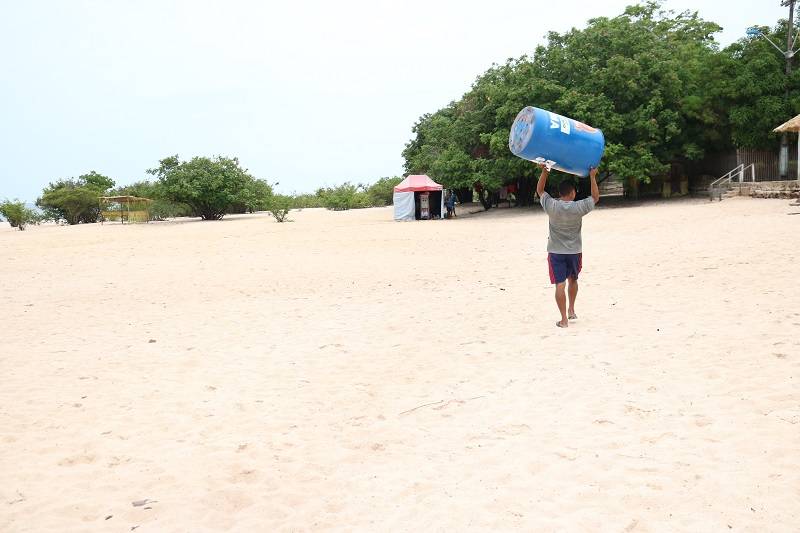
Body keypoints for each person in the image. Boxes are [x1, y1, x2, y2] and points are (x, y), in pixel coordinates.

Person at [536, 163, 600, 328]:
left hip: (556, 252)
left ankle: (564, 319)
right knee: (573, 279)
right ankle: (571, 310)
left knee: (560, 284)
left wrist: (545, 172)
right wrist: (592, 177)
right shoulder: (578, 207)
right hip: (574, 251)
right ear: (573, 193)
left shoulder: (552, 206)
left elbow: (540, 191)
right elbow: (595, 198)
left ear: (559, 193)